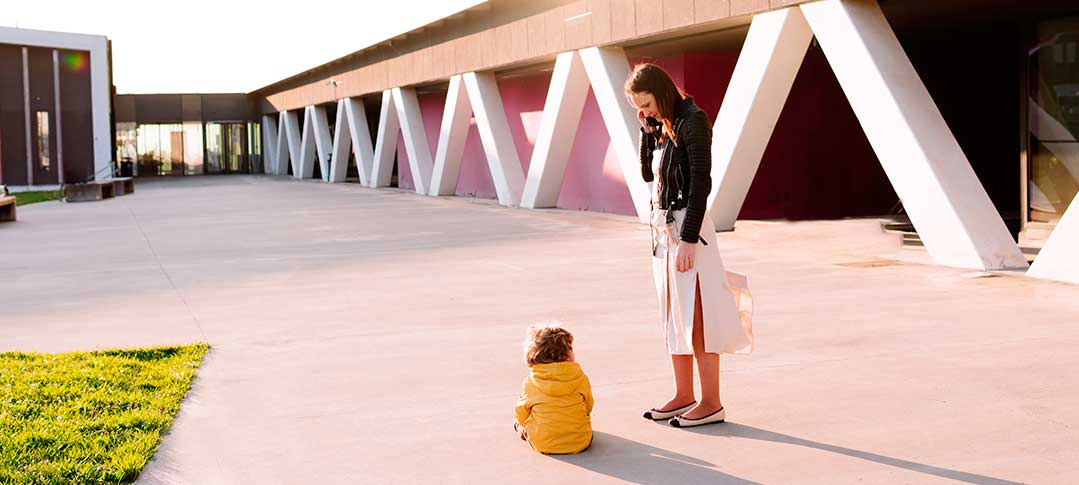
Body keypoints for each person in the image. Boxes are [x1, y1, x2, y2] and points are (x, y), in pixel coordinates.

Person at [625, 63, 754, 428]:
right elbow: (648, 175)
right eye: (639, 107)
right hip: (663, 232)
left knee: (699, 316)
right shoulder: (662, 126)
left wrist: (687, 241)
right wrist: (647, 131)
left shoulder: (692, 121)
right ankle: (684, 394)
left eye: (647, 103)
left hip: (688, 231)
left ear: (661, 91)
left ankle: (711, 402)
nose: (645, 110)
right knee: (673, 317)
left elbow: (700, 183)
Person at [514, 323, 594, 453]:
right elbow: (588, 406)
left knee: (521, 426)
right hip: (580, 441)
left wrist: (521, 423)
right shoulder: (581, 378)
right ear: (568, 355)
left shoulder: (531, 382)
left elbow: (521, 413)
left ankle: (522, 430)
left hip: (544, 444)